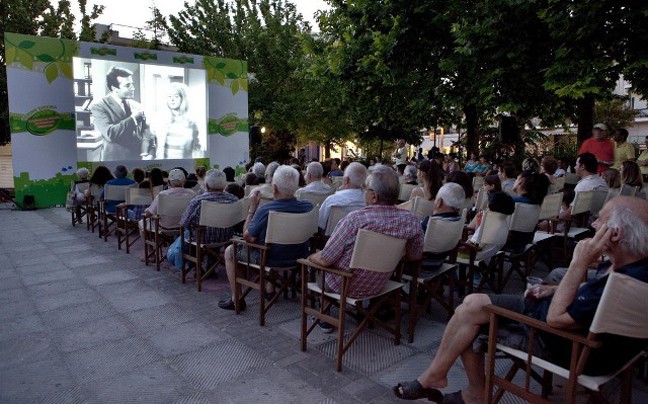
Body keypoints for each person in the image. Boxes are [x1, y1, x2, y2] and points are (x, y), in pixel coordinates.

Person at [394, 196, 648, 403]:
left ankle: (468, 391)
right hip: (607, 346)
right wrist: (557, 289)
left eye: (600, 219)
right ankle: (438, 377)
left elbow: (556, 320)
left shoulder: (620, 284)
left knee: (470, 317)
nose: (593, 224)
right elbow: (593, 299)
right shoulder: (636, 268)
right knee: (472, 304)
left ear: (615, 233)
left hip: (569, 346)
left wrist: (578, 263)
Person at [308, 164, 423, 305]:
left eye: (365, 189)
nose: (363, 193)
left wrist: (310, 257)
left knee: (316, 268)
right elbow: (415, 256)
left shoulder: (356, 220)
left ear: (374, 196)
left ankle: (323, 316)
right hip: (382, 284)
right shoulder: (411, 219)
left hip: (344, 284)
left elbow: (325, 260)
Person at [219, 166, 313, 310]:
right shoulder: (307, 206)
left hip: (270, 258)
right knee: (270, 242)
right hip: (300, 256)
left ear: (274, 188)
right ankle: (270, 289)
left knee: (230, 251)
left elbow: (248, 237)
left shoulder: (265, 210)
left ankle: (236, 298)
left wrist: (251, 209)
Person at [167, 169, 238, 270]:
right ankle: (211, 266)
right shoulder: (233, 199)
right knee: (213, 230)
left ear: (207, 185)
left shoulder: (198, 201)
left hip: (202, 239)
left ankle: (196, 266)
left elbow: (183, 223)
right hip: (226, 237)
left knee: (191, 233)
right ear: (224, 184)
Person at [90, 66, 154, 161]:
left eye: (132, 84)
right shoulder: (99, 106)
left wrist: (151, 153)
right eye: (127, 85)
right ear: (114, 88)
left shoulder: (136, 105)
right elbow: (110, 134)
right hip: (115, 161)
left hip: (138, 159)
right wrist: (133, 119)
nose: (133, 88)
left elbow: (147, 133)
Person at [318, 162, 368, 232]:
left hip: (333, 238)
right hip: (363, 240)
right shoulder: (369, 201)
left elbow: (320, 223)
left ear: (346, 180)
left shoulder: (332, 200)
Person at [155, 83, 200, 159]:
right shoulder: (161, 119)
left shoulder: (192, 122)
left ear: (183, 99)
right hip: (165, 165)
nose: (172, 99)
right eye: (169, 96)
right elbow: (149, 139)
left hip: (185, 164)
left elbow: (197, 147)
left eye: (176, 96)